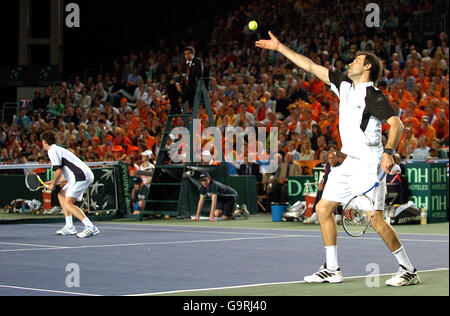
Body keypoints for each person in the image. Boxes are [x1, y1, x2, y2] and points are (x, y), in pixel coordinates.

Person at [256, 32, 420, 287]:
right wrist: (280, 48)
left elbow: (397, 125)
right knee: (322, 208)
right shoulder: (343, 84)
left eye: (356, 60)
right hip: (349, 162)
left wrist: (388, 152)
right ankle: (332, 268)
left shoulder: (373, 96)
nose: (350, 63)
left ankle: (408, 269)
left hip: (369, 162)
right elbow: (310, 66)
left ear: (367, 67)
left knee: (375, 220)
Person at [41, 130, 100, 238]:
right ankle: (69, 227)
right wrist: (53, 182)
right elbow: (64, 173)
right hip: (78, 175)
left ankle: (90, 227)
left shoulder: (52, 151)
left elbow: (58, 171)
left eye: (42, 141)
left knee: (68, 203)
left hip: (81, 175)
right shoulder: (58, 149)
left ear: (45, 142)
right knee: (61, 194)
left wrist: (53, 184)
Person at [304, 150, 342, 225]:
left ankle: (338, 215)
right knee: (320, 190)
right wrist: (322, 183)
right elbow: (325, 176)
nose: (332, 160)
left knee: (336, 191)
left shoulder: (341, 166)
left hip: (340, 188)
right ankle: (315, 214)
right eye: (330, 158)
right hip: (330, 187)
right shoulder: (328, 165)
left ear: (337, 158)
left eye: (333, 158)